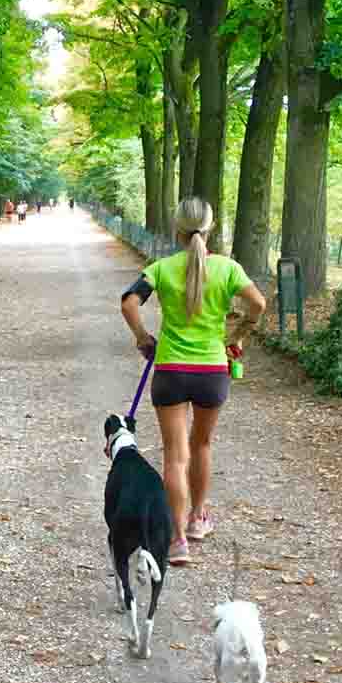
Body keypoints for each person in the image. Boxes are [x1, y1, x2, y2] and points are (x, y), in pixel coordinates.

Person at [119, 197, 266, 565]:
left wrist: (142, 337)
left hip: (170, 371)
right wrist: (236, 337)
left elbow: (128, 302)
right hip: (211, 371)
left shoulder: (163, 268)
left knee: (174, 456)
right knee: (201, 445)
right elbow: (259, 304)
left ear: (177, 229)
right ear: (210, 227)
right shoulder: (228, 269)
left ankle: (176, 539)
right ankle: (199, 518)